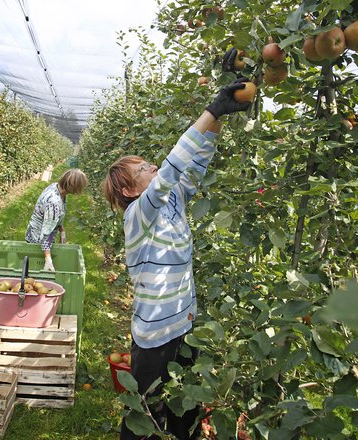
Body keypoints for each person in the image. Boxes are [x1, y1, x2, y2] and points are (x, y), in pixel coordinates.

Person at [103, 77, 251, 439]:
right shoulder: (137, 214)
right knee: (145, 420)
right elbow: (169, 172)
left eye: (150, 164)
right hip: (153, 338)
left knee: (186, 409)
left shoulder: (173, 200)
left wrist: (220, 116)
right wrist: (211, 108)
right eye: (143, 170)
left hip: (184, 327)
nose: (152, 167)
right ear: (129, 189)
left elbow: (194, 163)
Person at [25, 168, 88, 271]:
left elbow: (55, 217)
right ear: (73, 187)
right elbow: (46, 235)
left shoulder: (56, 187)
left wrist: (61, 229)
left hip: (36, 232)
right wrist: (48, 258)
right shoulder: (54, 203)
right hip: (38, 240)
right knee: (37, 272)